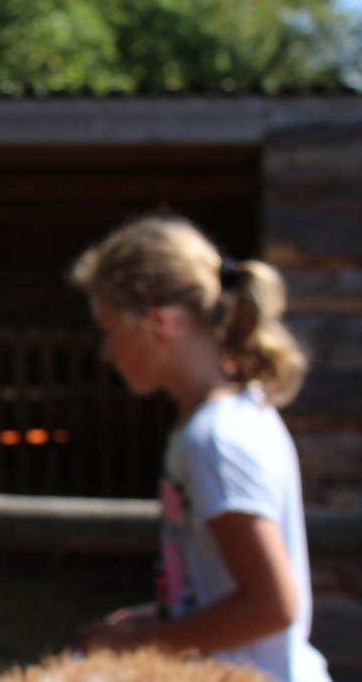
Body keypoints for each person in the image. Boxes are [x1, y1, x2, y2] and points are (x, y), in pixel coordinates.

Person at [70, 215, 330, 681]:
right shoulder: (229, 417)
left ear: (158, 324)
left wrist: (136, 646)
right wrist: (159, 618)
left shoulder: (214, 440)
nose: (106, 352)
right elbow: (221, 589)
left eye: (111, 331)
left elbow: (271, 607)